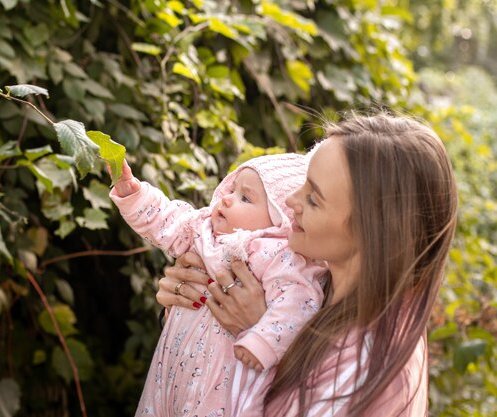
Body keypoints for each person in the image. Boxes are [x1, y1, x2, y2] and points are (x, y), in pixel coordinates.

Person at [156, 112, 458, 417]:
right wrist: (190, 312)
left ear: (371, 230)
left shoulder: (368, 365)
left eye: (313, 199)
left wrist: (260, 335)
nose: (289, 201)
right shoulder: (308, 283)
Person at [109, 154, 327, 416]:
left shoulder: (277, 256)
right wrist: (133, 192)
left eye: (245, 198)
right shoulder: (203, 231)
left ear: (280, 220)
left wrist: (262, 342)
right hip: (171, 370)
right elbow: (167, 219)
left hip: (220, 381)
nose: (227, 198)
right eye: (233, 190)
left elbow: (297, 304)